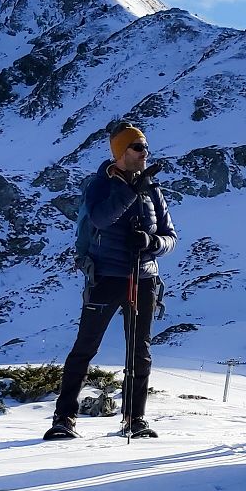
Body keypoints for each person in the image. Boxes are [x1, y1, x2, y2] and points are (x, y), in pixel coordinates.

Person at [45, 121, 176, 440]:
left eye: (145, 146)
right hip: (106, 276)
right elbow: (101, 218)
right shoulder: (100, 185)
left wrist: (151, 242)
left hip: (144, 278)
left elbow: (170, 236)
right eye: (137, 147)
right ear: (120, 152)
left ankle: (135, 418)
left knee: (139, 351)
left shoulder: (153, 189)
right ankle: (64, 417)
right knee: (85, 347)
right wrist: (131, 191)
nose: (144, 152)